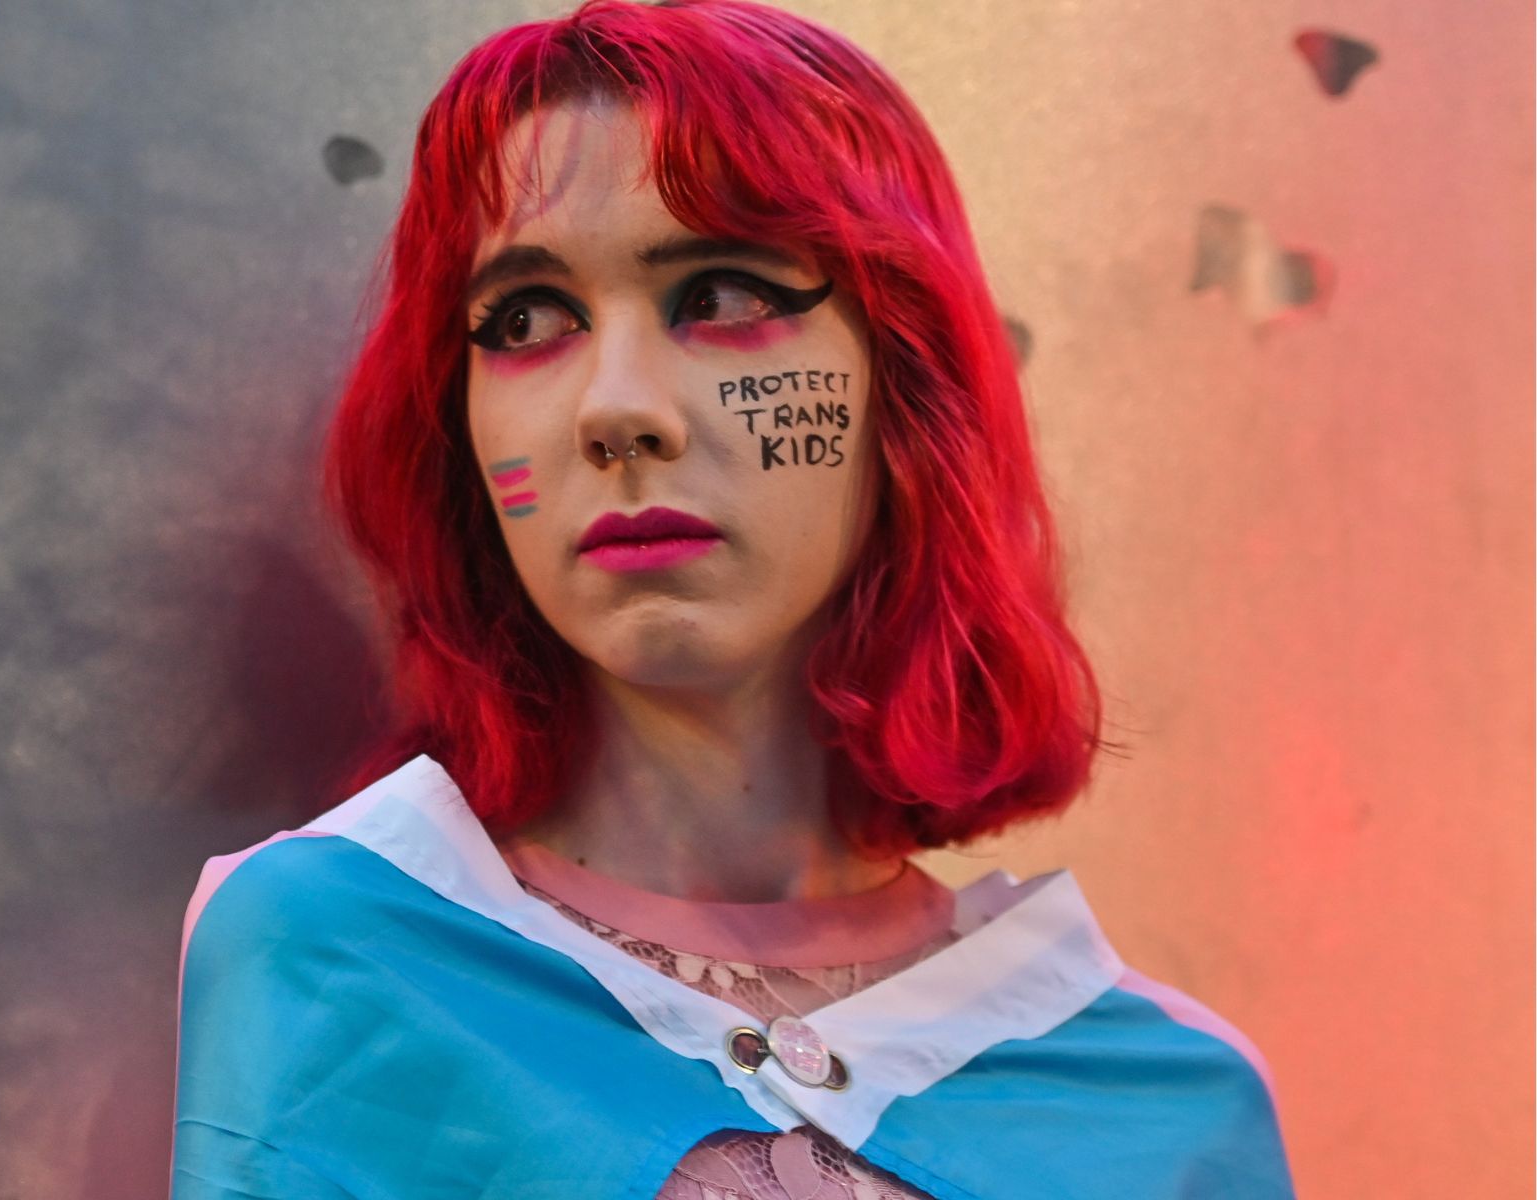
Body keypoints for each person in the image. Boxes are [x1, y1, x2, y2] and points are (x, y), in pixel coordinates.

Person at [169, 2, 1295, 1197]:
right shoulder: (340, 953)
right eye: (527, 318)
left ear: (900, 378)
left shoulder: (1168, 1103)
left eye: (720, 296)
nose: (616, 408)